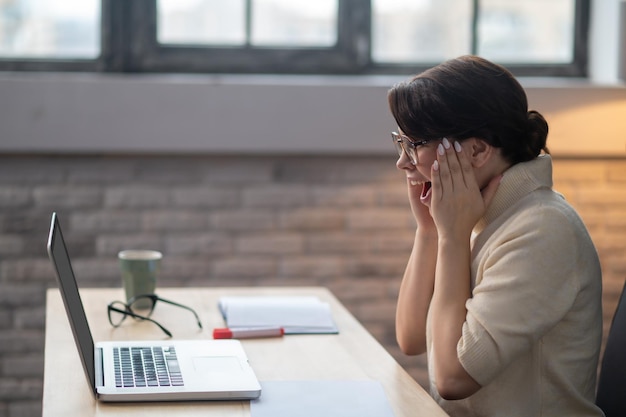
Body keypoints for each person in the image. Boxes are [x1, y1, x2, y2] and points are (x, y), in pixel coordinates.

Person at [388, 55, 604, 416]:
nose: (403, 161)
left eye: (416, 143)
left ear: (477, 150)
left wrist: (453, 238)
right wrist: (429, 230)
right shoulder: (486, 217)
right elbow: (410, 338)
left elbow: (452, 381)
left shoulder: (541, 230)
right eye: (402, 142)